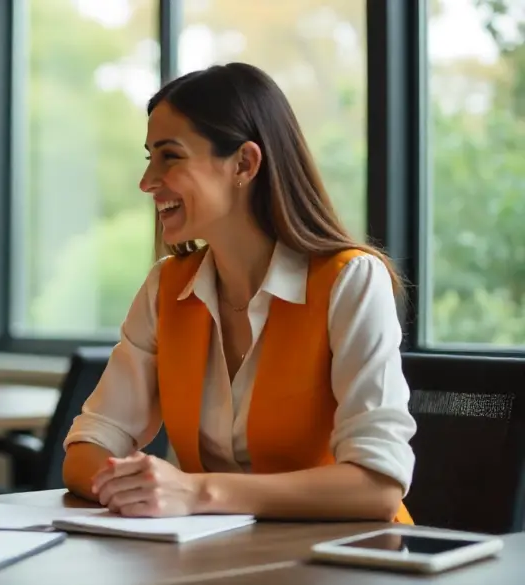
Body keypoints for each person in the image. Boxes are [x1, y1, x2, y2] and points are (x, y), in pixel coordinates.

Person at [61, 63, 416, 523]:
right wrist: (140, 487)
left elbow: (378, 486)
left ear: (245, 164)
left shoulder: (350, 281)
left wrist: (195, 493)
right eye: (149, 156)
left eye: (170, 156)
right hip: (218, 560)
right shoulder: (166, 289)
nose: (147, 181)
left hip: (351, 561)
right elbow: (88, 447)